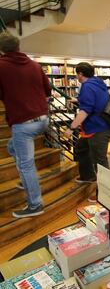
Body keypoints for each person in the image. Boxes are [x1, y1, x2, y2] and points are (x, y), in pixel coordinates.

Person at [0, 32, 51, 218]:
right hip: (43, 120)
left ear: (2, 49)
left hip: (23, 123)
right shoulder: (35, 65)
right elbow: (48, 91)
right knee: (11, 147)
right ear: (18, 46)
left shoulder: (1, 66)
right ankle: (26, 180)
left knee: (27, 165)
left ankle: (35, 205)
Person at [63, 62, 110, 184]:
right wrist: (79, 100)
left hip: (98, 129)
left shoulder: (87, 86)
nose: (76, 77)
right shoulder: (98, 82)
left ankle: (105, 195)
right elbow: (96, 99)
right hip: (102, 125)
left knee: (100, 161)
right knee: (81, 148)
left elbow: (84, 111)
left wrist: (71, 128)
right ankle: (88, 176)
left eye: (76, 74)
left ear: (80, 74)